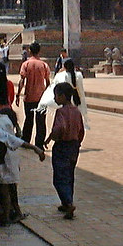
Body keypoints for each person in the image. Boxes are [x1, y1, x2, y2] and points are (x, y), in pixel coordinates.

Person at [0, 92, 27, 226]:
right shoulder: (6, 119)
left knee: (2, 189)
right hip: (11, 157)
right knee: (9, 187)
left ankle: (5, 216)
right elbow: (15, 136)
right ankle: (10, 214)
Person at [44, 82, 85, 220]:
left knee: (60, 178)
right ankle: (67, 201)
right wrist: (78, 143)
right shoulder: (76, 111)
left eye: (56, 96)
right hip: (73, 146)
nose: (55, 99)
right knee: (69, 175)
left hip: (62, 146)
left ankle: (68, 202)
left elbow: (59, 128)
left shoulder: (61, 112)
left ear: (62, 96)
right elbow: (81, 131)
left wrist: (51, 138)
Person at [16, 43, 51, 147]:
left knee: (29, 120)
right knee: (41, 122)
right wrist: (48, 95)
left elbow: (22, 81)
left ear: (30, 51)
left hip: (29, 97)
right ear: (39, 51)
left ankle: (26, 141)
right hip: (41, 98)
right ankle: (39, 144)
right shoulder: (44, 65)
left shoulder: (26, 64)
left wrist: (18, 94)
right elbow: (48, 82)